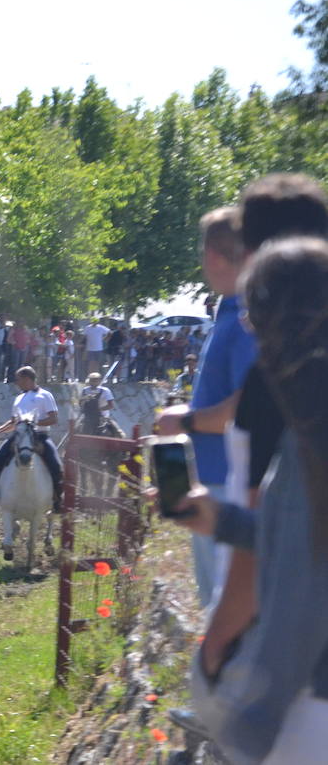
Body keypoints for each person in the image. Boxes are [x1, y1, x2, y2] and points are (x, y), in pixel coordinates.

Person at [171, 235, 328, 763]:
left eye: (255, 315)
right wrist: (224, 523)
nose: (245, 327)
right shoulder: (303, 431)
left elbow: (302, 594)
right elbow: (296, 540)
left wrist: (247, 720)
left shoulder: (313, 440)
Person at [153, 207, 257, 607]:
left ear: (213, 256)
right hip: (216, 479)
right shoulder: (230, 312)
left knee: (223, 607)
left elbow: (249, 406)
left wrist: (186, 419)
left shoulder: (246, 318)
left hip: (229, 486)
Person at [0, 366, 63, 513]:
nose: (16, 382)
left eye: (18, 379)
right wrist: (0, 430)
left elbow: (53, 418)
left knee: (56, 464)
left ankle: (57, 499)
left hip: (39, 436)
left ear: (27, 379)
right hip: (19, 435)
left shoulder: (45, 395)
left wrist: (33, 424)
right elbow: (14, 422)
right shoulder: (19, 398)